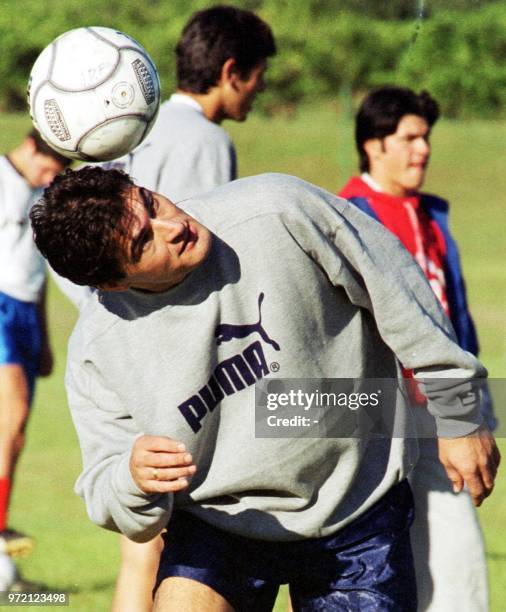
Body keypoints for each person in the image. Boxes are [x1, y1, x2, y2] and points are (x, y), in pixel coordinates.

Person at [30, 166, 499, 611]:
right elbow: (105, 489)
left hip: (357, 506)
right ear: (112, 284)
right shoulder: (99, 349)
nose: (170, 226)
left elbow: (395, 288)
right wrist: (132, 479)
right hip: (219, 524)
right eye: (143, 241)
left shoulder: (275, 209)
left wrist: (458, 412)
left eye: (151, 203)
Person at [100, 6, 276, 611]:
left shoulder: (136, 130)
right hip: (182, 364)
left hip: (127, 362)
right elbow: (202, 266)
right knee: (167, 547)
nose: (259, 90)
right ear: (231, 72)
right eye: (257, 76)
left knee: (140, 546)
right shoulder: (204, 140)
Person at [339, 85, 496, 611]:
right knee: (372, 574)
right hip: (374, 422)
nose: (422, 149)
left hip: (435, 416)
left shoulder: (427, 214)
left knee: (456, 573)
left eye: (425, 137)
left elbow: (452, 315)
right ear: (373, 144)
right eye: (408, 137)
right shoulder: (346, 215)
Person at [0, 130, 71, 590]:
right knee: (13, 411)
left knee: (16, 433)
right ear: (29, 147)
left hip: (26, 313)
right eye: (49, 167)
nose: (51, 178)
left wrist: (44, 337)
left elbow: (38, 270)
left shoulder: (41, 194)